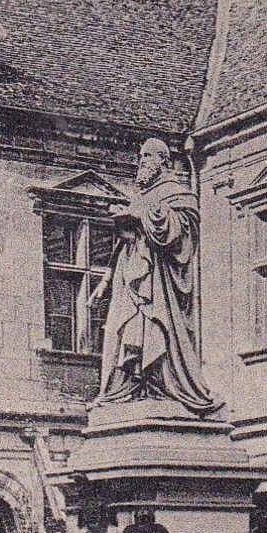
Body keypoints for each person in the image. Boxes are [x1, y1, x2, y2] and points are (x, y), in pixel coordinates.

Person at [91, 138, 222, 418]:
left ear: (163, 161)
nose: (142, 163)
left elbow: (184, 230)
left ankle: (163, 386)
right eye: (141, 157)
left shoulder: (178, 193)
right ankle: (131, 387)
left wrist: (148, 216)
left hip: (160, 285)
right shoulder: (141, 196)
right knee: (126, 331)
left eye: (148, 156)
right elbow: (122, 248)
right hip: (134, 282)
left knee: (157, 332)